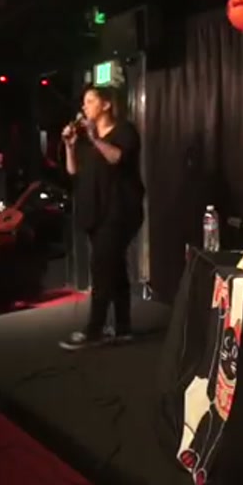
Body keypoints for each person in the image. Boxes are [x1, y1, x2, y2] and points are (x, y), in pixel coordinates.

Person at [58, 86, 145, 350]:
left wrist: (94, 137)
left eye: (90, 101)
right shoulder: (85, 139)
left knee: (102, 268)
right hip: (94, 211)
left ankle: (94, 329)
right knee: (114, 267)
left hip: (120, 211)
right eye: (83, 102)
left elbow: (117, 157)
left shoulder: (125, 131)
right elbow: (73, 171)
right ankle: (123, 328)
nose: (84, 107)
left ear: (106, 105)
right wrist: (70, 146)